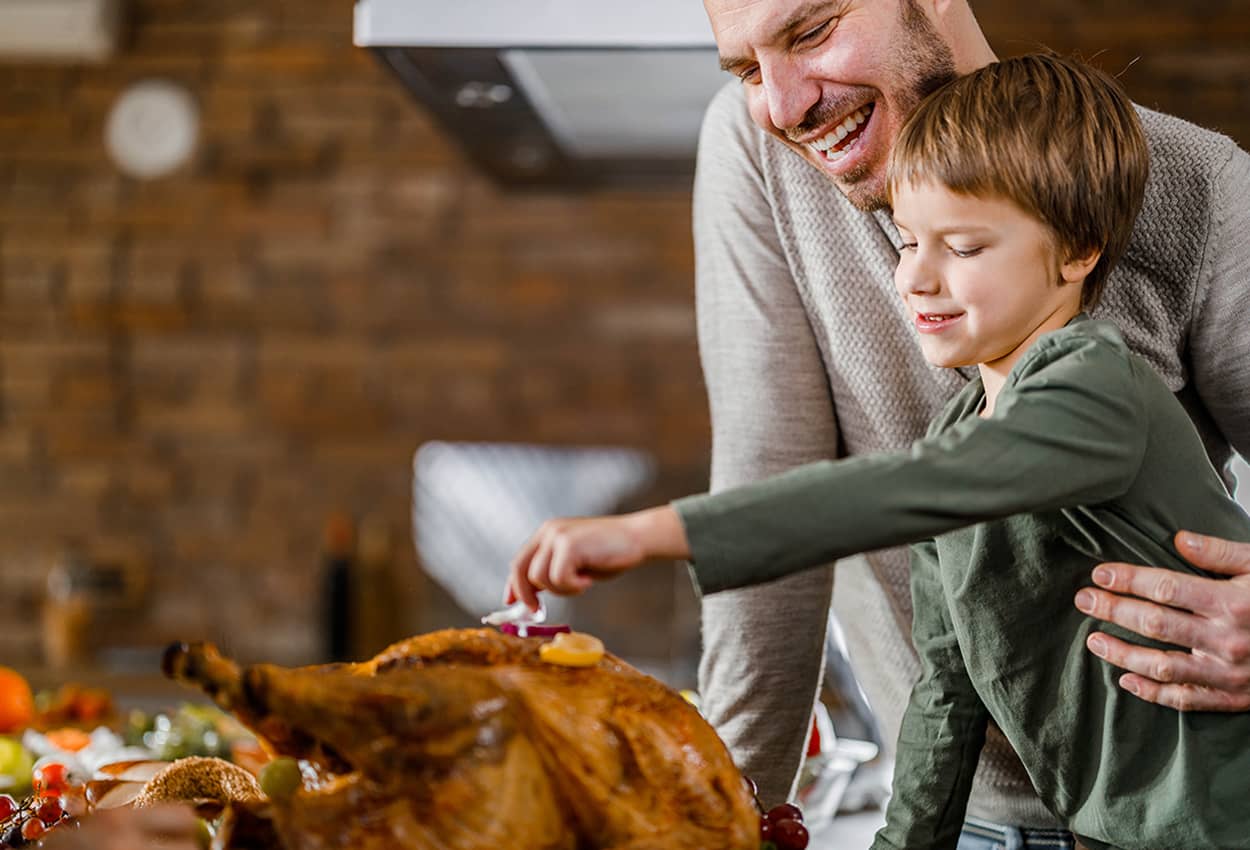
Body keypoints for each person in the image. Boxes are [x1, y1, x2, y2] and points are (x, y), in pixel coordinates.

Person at [505, 53, 1250, 850]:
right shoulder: (959, 431)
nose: (917, 280)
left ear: (1077, 252)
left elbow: (919, 487)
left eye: (962, 248)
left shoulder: (1100, 390)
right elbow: (947, 696)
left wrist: (649, 533)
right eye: (906, 241)